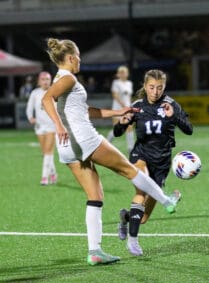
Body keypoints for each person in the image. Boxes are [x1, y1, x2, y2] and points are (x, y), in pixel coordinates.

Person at [42, 38, 181, 266]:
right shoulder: (68, 78)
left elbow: (86, 111)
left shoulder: (62, 79)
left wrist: (118, 112)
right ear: (70, 58)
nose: (80, 60)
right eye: (78, 55)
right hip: (85, 139)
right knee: (129, 169)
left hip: (67, 149)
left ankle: (95, 251)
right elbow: (46, 99)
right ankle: (167, 201)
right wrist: (58, 126)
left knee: (95, 196)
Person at [114, 69, 193, 256]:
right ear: (145, 86)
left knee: (142, 218)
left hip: (162, 161)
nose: (155, 91)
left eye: (160, 87)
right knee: (141, 191)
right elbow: (117, 133)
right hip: (141, 155)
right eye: (151, 87)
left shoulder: (171, 104)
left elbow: (189, 130)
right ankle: (133, 242)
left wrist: (173, 116)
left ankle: (126, 218)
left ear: (164, 87)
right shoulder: (137, 106)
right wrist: (122, 123)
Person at [26, 72, 57, 186]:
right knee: (45, 153)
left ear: (51, 80)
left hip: (51, 126)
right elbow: (29, 107)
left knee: (49, 151)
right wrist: (30, 117)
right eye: (43, 79)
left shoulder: (55, 91)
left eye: (47, 79)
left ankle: (44, 177)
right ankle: (53, 173)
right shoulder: (35, 93)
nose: (45, 81)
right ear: (39, 81)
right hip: (39, 126)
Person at [107, 66, 135, 153]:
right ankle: (106, 143)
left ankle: (131, 148)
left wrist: (130, 107)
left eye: (124, 72)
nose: (123, 74)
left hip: (127, 109)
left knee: (129, 127)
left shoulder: (129, 83)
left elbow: (129, 97)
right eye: (121, 72)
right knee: (117, 128)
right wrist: (123, 106)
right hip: (117, 109)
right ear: (118, 74)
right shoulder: (116, 83)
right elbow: (115, 95)